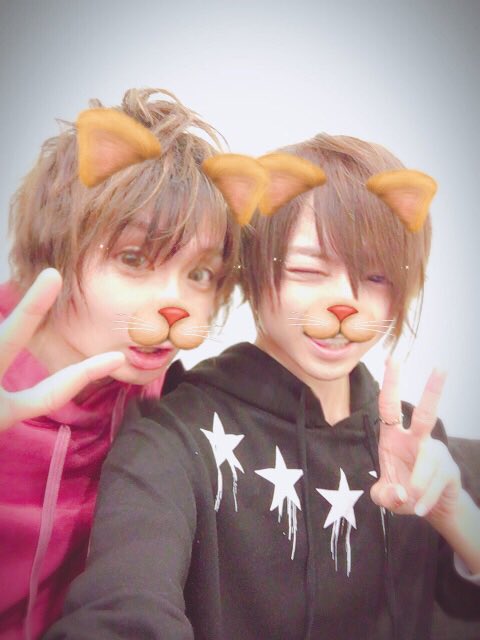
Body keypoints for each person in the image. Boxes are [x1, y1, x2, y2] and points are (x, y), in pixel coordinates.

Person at [45, 134, 480, 640]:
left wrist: (456, 514)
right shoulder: (173, 435)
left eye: (377, 277)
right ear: (251, 271)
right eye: (308, 270)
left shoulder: (414, 442)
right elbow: (125, 610)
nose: (346, 301)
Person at [0, 87, 239, 640]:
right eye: (133, 259)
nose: (175, 303)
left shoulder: (162, 404)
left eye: (200, 274)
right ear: (54, 246)